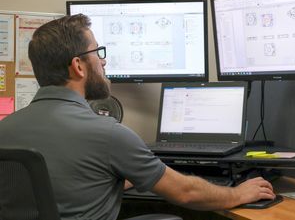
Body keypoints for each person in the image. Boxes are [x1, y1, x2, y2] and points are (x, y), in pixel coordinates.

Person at [0, 14, 275, 220]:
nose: (104, 61)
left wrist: (117, 175)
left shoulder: (5, 130)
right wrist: (238, 193)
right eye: (97, 52)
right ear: (79, 66)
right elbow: (185, 192)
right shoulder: (107, 134)